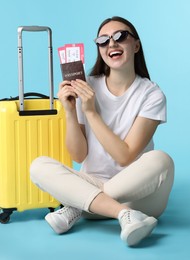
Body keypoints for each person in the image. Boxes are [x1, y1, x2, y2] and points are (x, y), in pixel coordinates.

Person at [30, 16, 174, 247]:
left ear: (135, 45)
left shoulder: (151, 95)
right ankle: (122, 215)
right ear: (99, 48)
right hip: (100, 202)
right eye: (103, 40)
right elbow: (78, 156)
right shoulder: (86, 85)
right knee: (38, 166)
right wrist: (69, 110)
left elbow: (125, 156)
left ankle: (75, 206)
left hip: (139, 199)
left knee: (161, 160)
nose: (112, 44)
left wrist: (91, 112)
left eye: (120, 36)